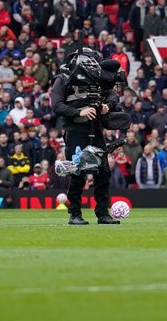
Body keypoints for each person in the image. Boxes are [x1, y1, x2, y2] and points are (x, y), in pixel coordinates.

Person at [50, 47, 123, 225]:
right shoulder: (64, 77)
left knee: (103, 172)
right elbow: (57, 106)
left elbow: (113, 94)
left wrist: (109, 105)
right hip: (75, 131)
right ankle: (74, 214)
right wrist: (79, 111)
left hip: (96, 128)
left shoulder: (99, 78)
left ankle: (102, 214)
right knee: (77, 172)